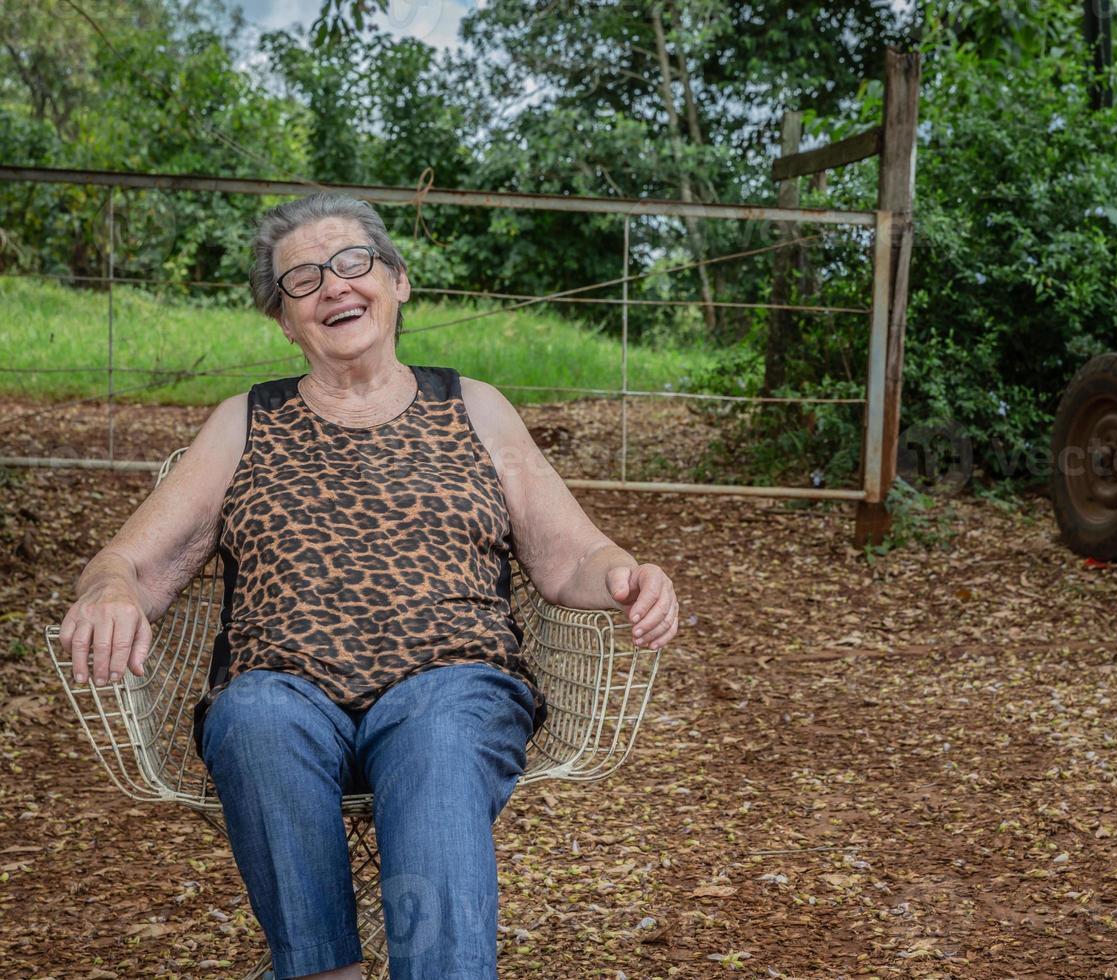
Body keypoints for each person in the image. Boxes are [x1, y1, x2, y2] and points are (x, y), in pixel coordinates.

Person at [58, 193, 679, 980]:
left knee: (437, 739)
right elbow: (131, 562)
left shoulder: (474, 408)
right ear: (284, 320)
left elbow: (569, 557)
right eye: (304, 279)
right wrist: (111, 589)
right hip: (285, 689)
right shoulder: (243, 421)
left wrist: (625, 573)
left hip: (454, 680)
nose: (334, 287)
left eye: (354, 263)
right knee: (251, 716)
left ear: (398, 280)